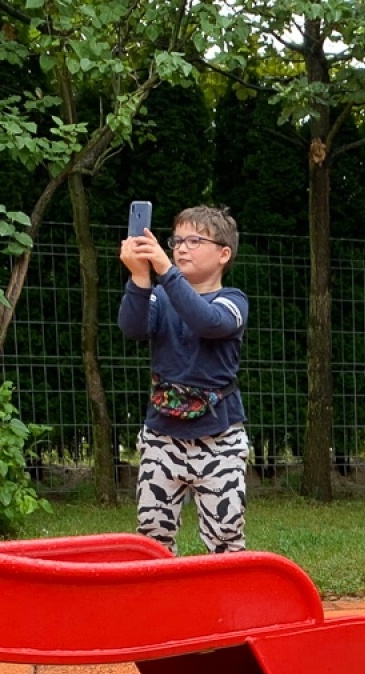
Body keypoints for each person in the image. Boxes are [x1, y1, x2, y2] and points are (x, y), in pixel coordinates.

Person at [118, 205, 250, 554]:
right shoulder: (160, 297)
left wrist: (164, 269)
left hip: (221, 439)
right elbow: (132, 329)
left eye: (194, 239)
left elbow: (206, 321)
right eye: (177, 240)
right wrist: (140, 279)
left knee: (226, 539)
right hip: (161, 437)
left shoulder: (233, 301)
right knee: (152, 539)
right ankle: (160, 607)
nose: (181, 248)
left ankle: (224, 605)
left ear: (224, 253)